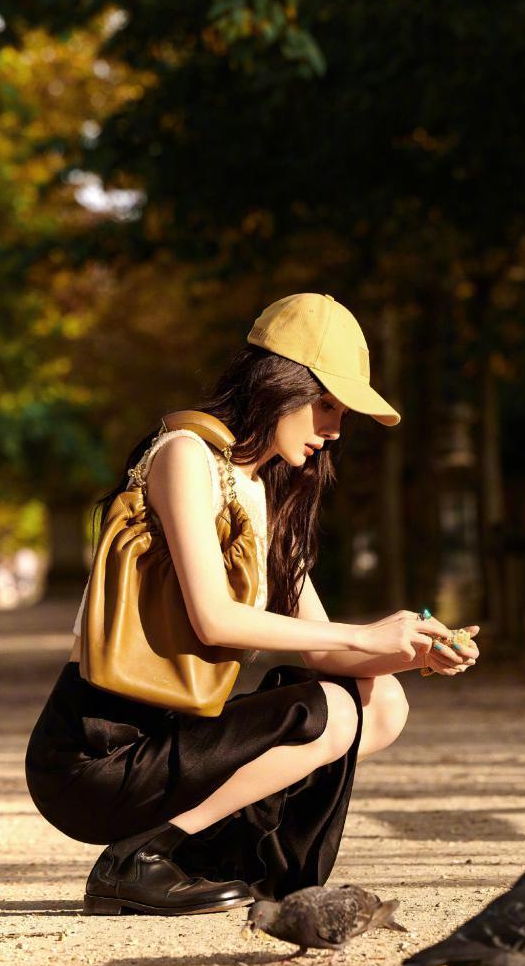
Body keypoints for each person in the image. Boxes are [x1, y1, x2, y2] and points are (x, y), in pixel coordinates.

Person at [25, 293, 480, 916]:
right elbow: (214, 617)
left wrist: (411, 649)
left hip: (172, 739)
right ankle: (136, 860)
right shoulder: (185, 456)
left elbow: (321, 644)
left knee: (379, 704)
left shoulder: (264, 494)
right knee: (330, 712)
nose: (334, 430)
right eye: (325, 406)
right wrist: (367, 636)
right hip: (96, 754)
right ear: (278, 385)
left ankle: (196, 856)